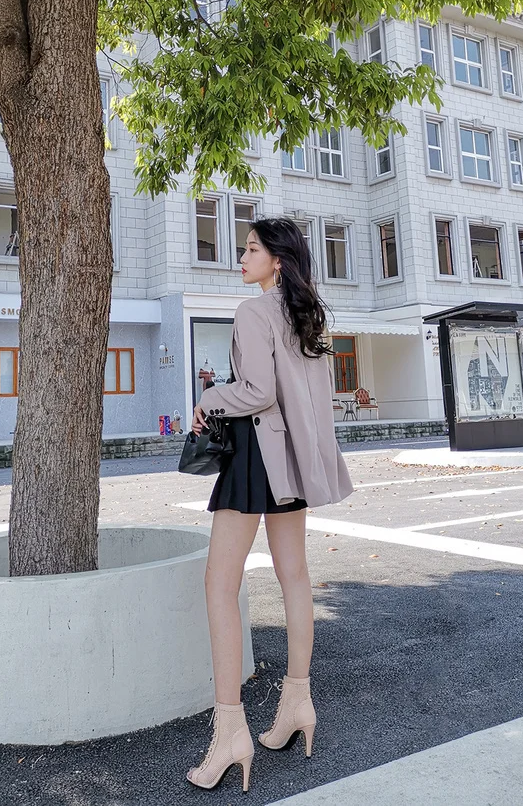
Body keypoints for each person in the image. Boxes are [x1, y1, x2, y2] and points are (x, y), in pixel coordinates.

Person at [186, 216, 353, 792]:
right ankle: (297, 703)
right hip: (293, 460)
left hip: (256, 453)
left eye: (251, 249)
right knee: (295, 577)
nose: (242, 257)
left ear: (277, 260)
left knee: (219, 584)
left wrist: (209, 397)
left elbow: (256, 392)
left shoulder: (254, 312)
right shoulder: (308, 315)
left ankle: (230, 730)